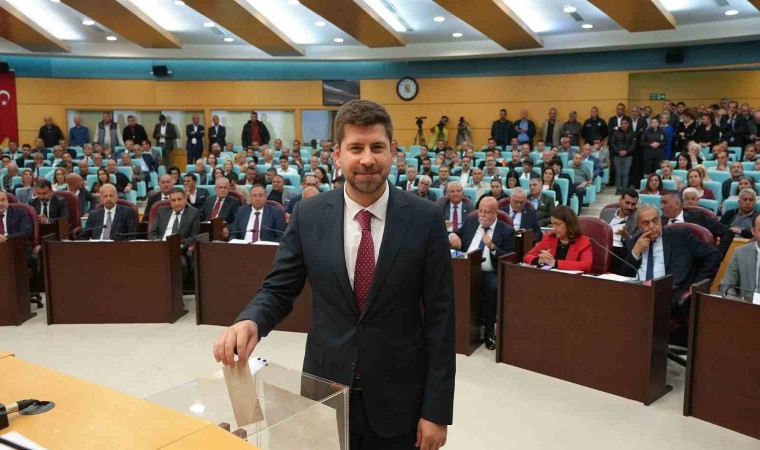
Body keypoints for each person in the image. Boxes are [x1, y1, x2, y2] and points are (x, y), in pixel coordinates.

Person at [214, 99, 454, 450]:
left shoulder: (425, 219)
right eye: (356, 148)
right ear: (338, 155)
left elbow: (441, 318)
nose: (367, 159)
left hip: (401, 395)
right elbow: (279, 289)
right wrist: (251, 321)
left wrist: (436, 410)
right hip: (324, 389)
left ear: (393, 152)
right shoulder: (308, 215)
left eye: (377, 147)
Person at [624, 203, 721, 345]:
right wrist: (635, 252)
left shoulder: (680, 236)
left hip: (669, 292)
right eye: (646, 223)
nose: (652, 226)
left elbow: (713, 255)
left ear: (660, 219)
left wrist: (697, 283)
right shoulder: (634, 241)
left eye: (655, 220)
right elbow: (625, 274)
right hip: (638, 290)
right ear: (638, 225)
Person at [449, 196, 514, 350]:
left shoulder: (506, 231)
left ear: (495, 213)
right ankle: (455, 329)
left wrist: (492, 247)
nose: (482, 215)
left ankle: (489, 332)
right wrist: (452, 235)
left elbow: (510, 257)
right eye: (480, 211)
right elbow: (456, 234)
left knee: (492, 288)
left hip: (488, 272)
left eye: (487, 212)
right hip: (465, 268)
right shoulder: (471, 222)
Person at [661, 191, 733, 257]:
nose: (661, 207)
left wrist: (717, 255)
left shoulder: (698, 217)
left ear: (677, 204)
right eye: (661, 203)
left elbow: (727, 233)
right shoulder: (660, 221)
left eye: (665, 203)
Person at [523, 206, 593, 273]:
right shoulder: (549, 238)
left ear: (569, 224)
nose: (554, 229)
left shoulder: (584, 242)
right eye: (552, 224)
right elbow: (527, 256)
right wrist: (539, 260)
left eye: (557, 224)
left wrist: (555, 263)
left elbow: (586, 265)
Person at [599, 189, 640, 273]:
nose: (630, 207)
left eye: (633, 204)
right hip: (602, 247)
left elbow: (634, 245)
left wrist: (625, 236)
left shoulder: (637, 220)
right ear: (620, 200)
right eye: (627, 203)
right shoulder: (606, 212)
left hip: (620, 251)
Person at [149, 188, 200, 253]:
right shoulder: (162, 211)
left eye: (179, 199)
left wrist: (176, 245)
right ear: (170, 201)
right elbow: (152, 232)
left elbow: (193, 237)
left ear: (185, 199)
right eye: (173, 200)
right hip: (160, 248)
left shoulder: (193, 213)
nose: (177, 203)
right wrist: (158, 243)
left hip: (178, 250)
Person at [720, 214, 760, 299]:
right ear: (753, 231)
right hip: (746, 304)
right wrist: (736, 302)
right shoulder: (740, 253)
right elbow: (726, 285)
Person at [609, 118, 635, 193]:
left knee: (626, 173)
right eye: (622, 123)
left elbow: (633, 145)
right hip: (617, 156)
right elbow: (612, 143)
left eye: (625, 123)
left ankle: (624, 189)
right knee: (618, 173)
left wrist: (627, 152)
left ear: (628, 124)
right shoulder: (615, 133)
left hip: (628, 156)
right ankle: (618, 189)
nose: (623, 125)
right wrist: (618, 152)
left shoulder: (632, 133)